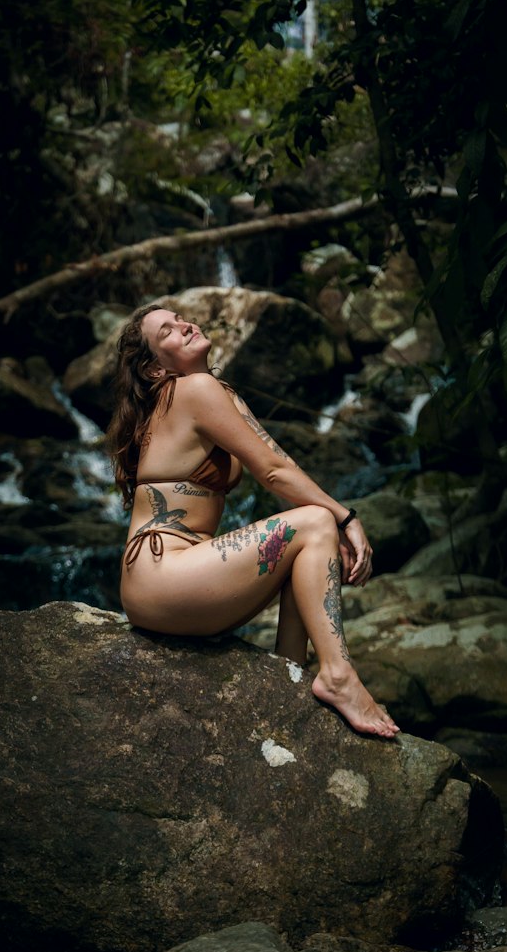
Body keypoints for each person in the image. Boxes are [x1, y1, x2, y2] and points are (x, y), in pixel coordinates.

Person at [106, 302, 399, 739]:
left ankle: (290, 677)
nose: (185, 325)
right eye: (167, 331)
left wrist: (321, 537)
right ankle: (337, 675)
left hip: (164, 583)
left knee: (305, 542)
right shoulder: (192, 390)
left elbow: (281, 460)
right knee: (314, 523)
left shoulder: (209, 391)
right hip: (163, 575)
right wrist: (344, 517)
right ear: (153, 370)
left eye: (181, 318)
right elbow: (272, 473)